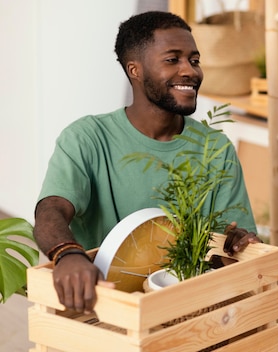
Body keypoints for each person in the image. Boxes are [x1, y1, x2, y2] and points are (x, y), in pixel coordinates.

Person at [33, 11, 259, 315]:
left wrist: (239, 241)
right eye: (172, 60)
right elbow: (50, 211)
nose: (190, 71)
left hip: (191, 311)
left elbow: (233, 237)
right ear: (134, 70)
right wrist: (67, 253)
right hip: (105, 308)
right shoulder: (86, 137)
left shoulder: (215, 148)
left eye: (194, 60)